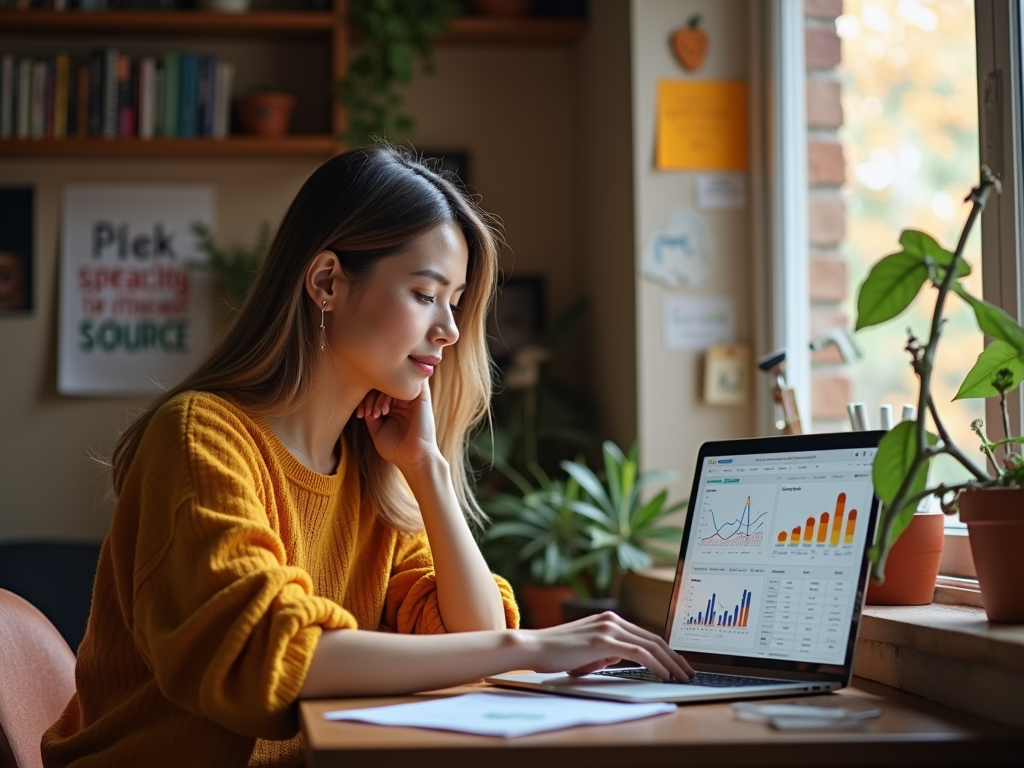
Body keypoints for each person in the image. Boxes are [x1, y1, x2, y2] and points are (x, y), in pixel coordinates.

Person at [42, 146, 694, 768]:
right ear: (327, 280)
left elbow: (470, 642)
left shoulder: (373, 468)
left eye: (457, 302)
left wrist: (429, 473)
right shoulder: (200, 437)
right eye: (424, 293)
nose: (450, 329)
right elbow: (270, 654)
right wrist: (536, 644)